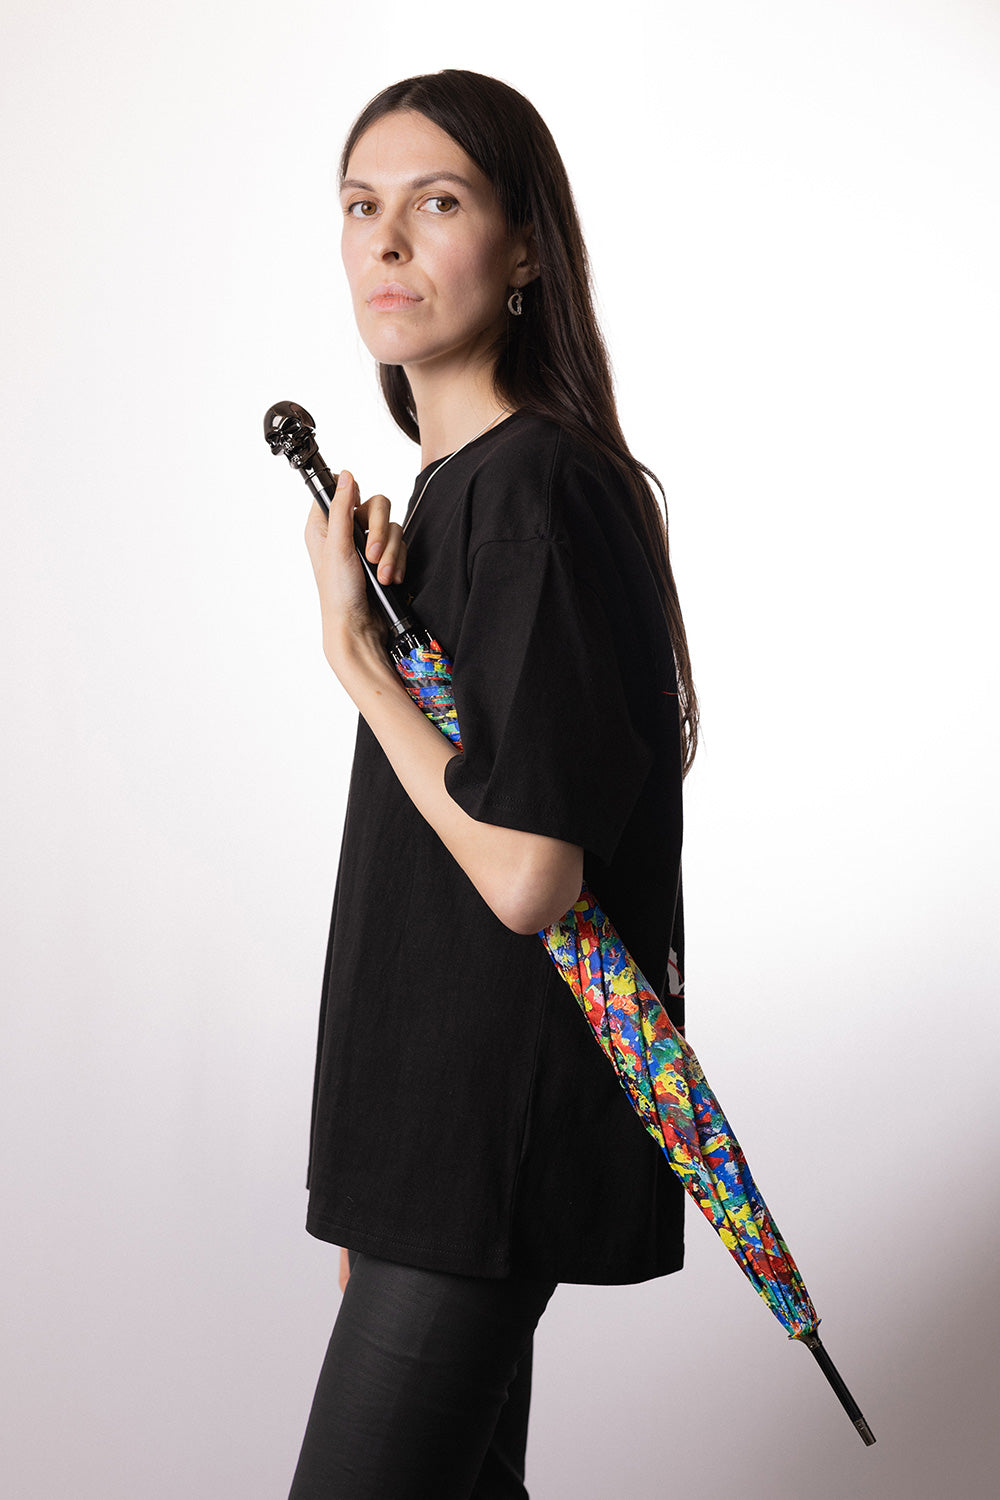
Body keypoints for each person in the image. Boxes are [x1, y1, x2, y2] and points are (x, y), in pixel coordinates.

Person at [289, 69, 698, 1500]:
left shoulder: (535, 490)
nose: (388, 240)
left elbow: (529, 874)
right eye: (362, 207)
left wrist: (357, 663)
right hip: (429, 1141)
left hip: (478, 1139)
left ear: (524, 246)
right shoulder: (459, 497)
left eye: (438, 201)